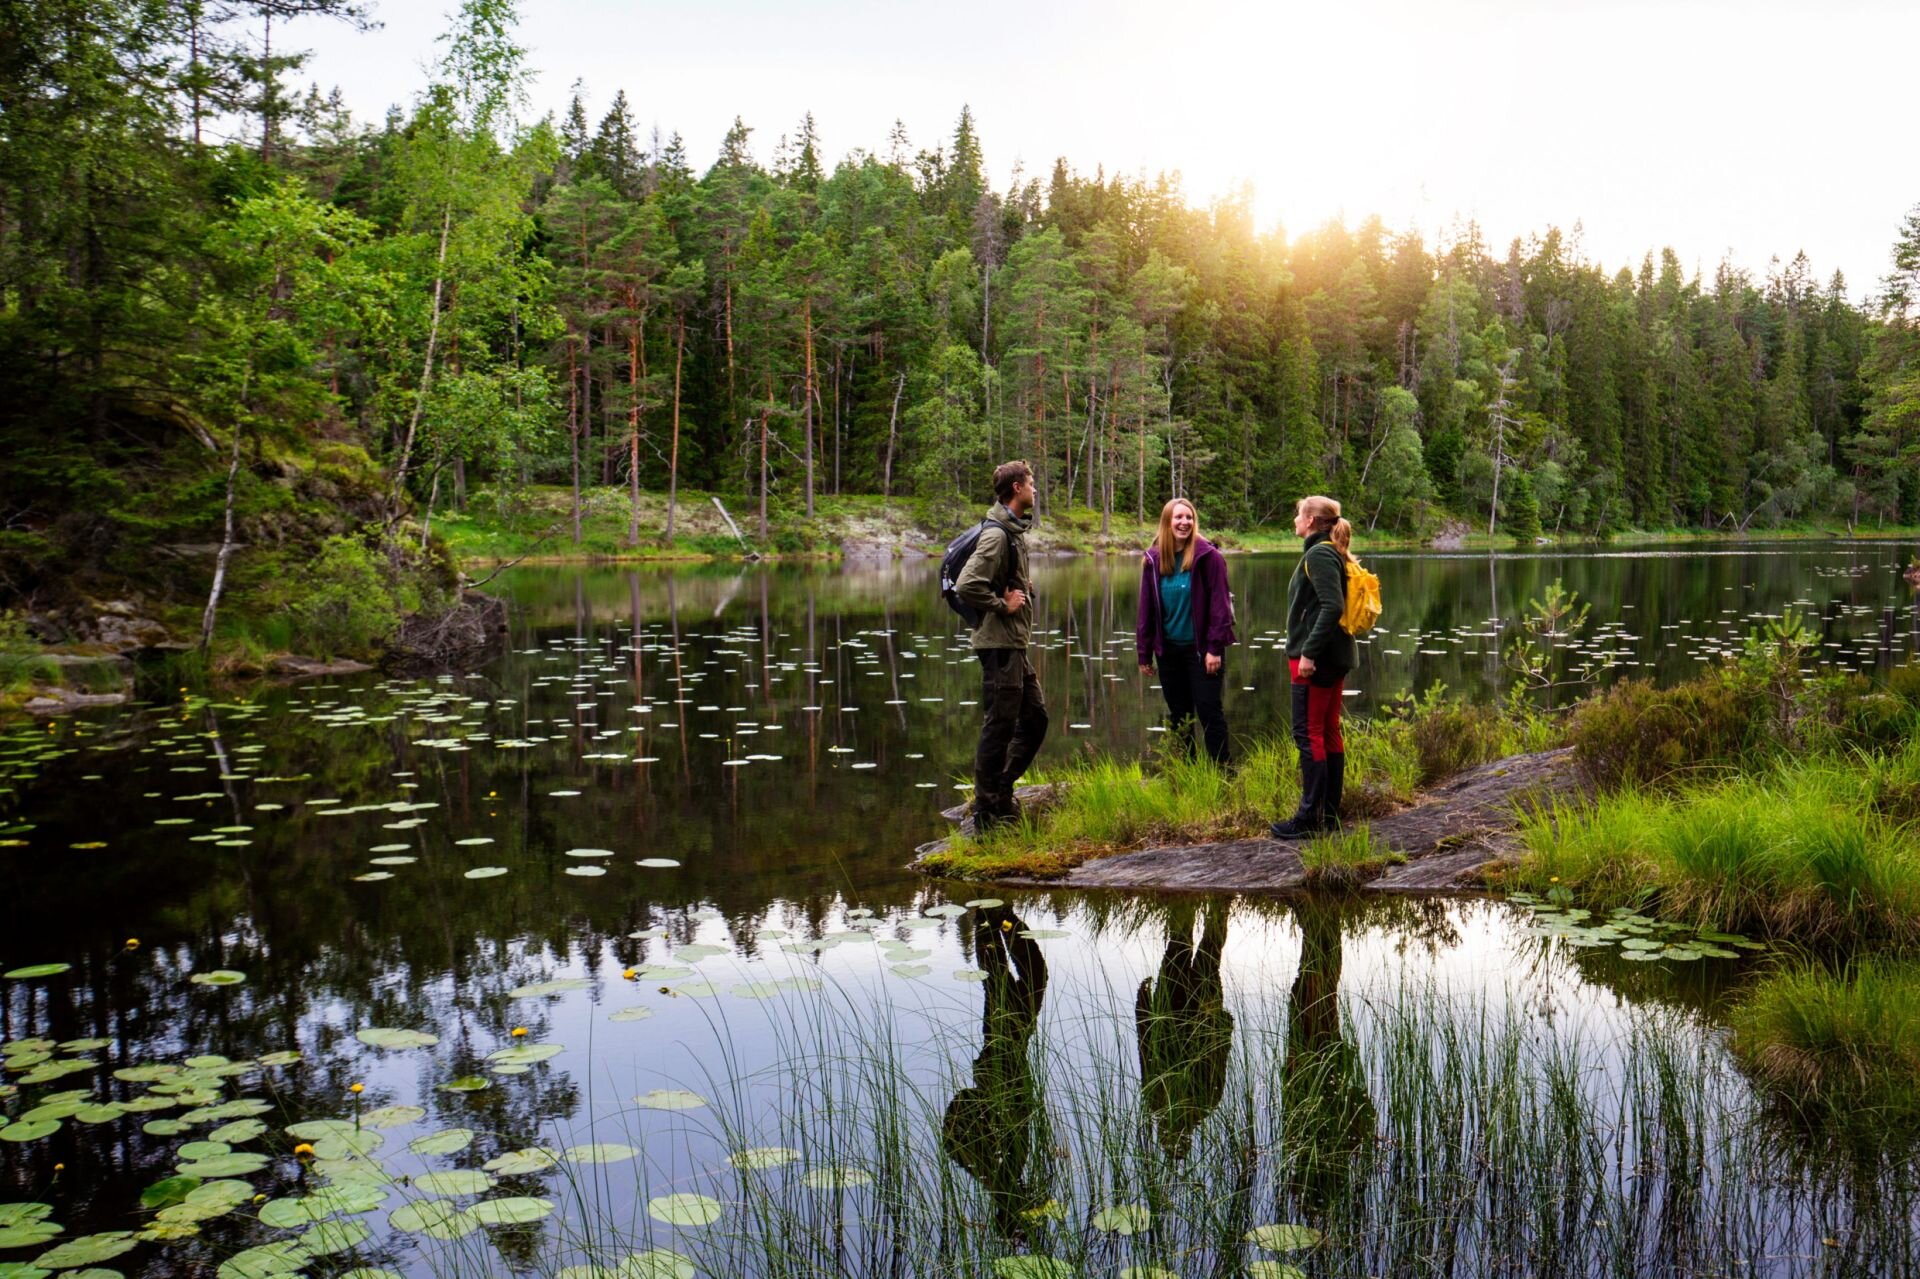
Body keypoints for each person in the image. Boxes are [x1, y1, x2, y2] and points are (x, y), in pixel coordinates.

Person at [955, 460, 1047, 831]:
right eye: (1031, 483)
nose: (1035, 490)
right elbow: (967, 585)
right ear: (1015, 489)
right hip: (999, 646)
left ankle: (1002, 792)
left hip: (1013, 646)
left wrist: (1023, 588)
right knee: (999, 727)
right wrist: (1000, 605)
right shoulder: (997, 535)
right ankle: (987, 812)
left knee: (1036, 719)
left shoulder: (1013, 531)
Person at [1270, 495, 1356, 839]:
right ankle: (1329, 816)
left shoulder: (1319, 553)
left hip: (1315, 661)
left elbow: (1332, 606)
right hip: (1333, 657)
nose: (1294, 520)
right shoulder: (1329, 550)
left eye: (1297, 514)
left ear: (1310, 521)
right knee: (1328, 730)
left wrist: (1308, 652)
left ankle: (1309, 820)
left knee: (1309, 734)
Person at [1136, 497, 1236, 765]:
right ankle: (1187, 773)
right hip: (1168, 651)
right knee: (1179, 714)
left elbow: (1220, 606)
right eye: (1178, 518)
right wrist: (1144, 652)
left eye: (1189, 517)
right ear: (1167, 523)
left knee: (1209, 711)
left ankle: (1222, 773)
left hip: (1202, 651)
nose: (1184, 523)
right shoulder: (1154, 560)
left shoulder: (1209, 557)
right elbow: (1146, 609)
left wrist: (1215, 648)